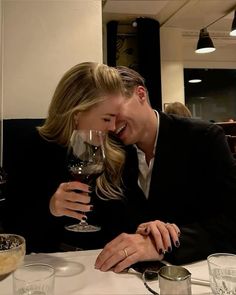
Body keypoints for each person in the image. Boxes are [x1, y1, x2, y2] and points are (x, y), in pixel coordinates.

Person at [94, 66, 236, 273]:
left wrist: (164, 242)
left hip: (196, 273)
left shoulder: (203, 138)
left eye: (115, 112)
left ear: (140, 94)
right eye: (106, 117)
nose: (112, 126)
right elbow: (109, 221)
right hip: (128, 277)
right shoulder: (114, 150)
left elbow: (230, 223)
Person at [3, 62, 127, 253]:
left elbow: (125, 221)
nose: (113, 127)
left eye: (116, 118)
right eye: (106, 118)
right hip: (49, 265)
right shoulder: (33, 147)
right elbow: (13, 228)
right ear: (76, 114)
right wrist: (50, 208)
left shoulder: (115, 151)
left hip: (105, 266)